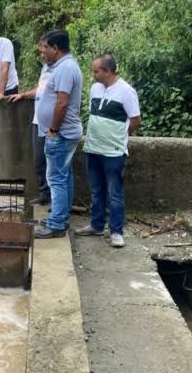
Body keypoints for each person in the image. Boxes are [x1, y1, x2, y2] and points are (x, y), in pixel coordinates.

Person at [74, 54, 141, 248]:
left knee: (114, 192)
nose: (93, 74)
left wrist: (120, 134)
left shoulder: (126, 91)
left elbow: (135, 119)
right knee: (96, 190)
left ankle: (117, 231)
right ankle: (96, 225)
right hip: (93, 147)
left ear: (108, 71)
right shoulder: (95, 89)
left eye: (96, 71)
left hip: (113, 151)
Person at [33, 29, 83, 239]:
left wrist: (53, 129)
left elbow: (62, 103)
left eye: (45, 47)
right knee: (64, 176)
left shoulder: (64, 69)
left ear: (55, 48)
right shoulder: (66, 66)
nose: (42, 51)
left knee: (56, 179)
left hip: (60, 134)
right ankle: (60, 218)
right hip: (64, 133)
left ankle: (56, 225)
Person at [8, 38, 52, 206]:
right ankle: (44, 194)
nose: (41, 55)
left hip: (52, 125)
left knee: (53, 166)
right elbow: (41, 90)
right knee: (39, 161)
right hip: (38, 121)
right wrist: (24, 95)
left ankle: (55, 202)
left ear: (54, 49)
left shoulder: (63, 70)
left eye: (43, 51)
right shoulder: (45, 68)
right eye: (40, 51)